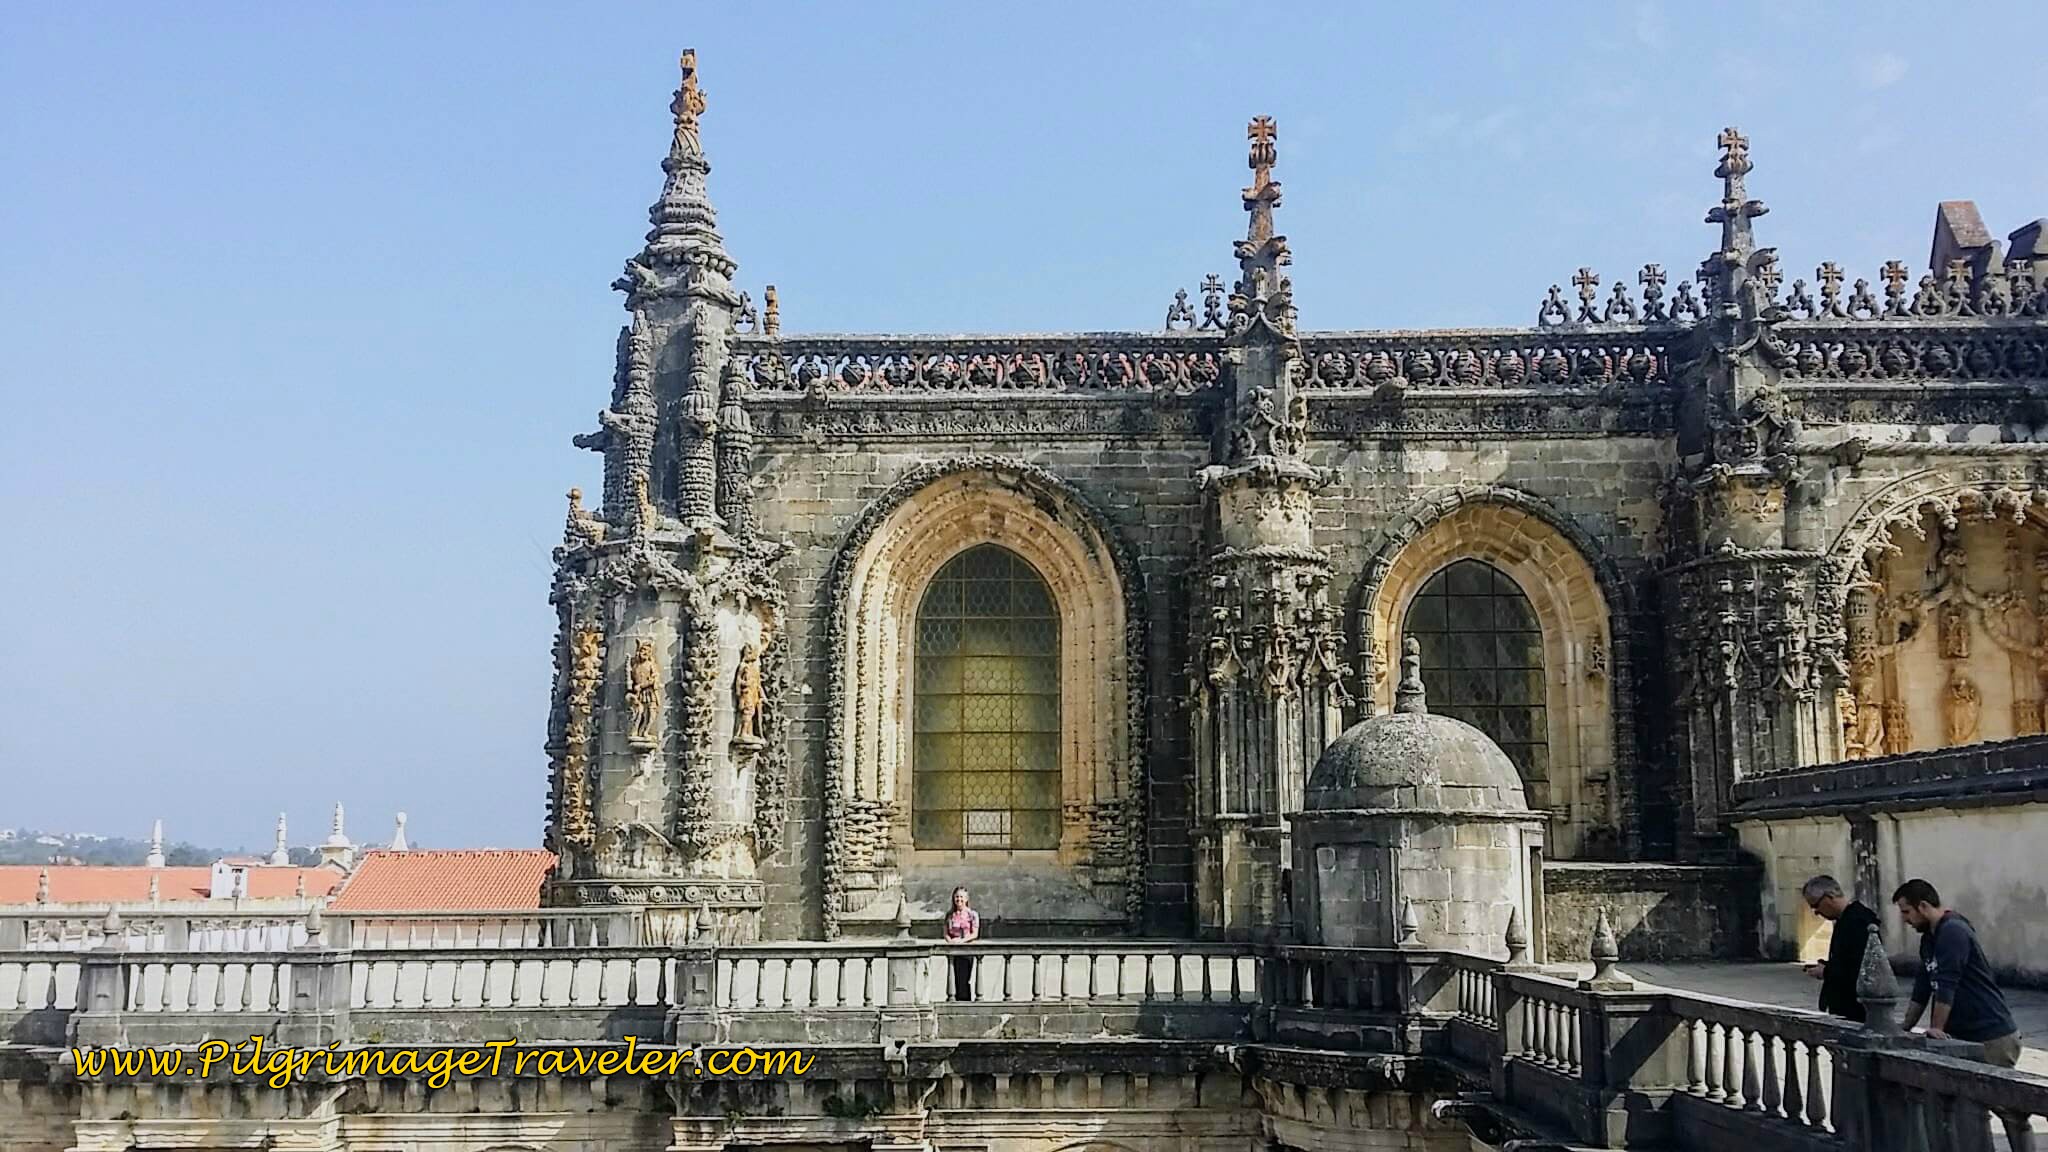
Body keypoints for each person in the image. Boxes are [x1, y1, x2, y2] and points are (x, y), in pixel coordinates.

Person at [1894, 879, 2022, 1066]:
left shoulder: (1953, 930)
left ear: (1923, 906)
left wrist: (1936, 1028)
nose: (1905, 920)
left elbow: (1947, 982)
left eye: (1906, 912)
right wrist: (1905, 1027)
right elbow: (1922, 987)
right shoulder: (1929, 938)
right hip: (1964, 1036)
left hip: (1991, 1036)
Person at [1799, 875, 1879, 1022]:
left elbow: (1859, 966)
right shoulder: (1844, 919)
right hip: (1844, 1006)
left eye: (1816, 905)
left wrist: (1826, 971)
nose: (1816, 912)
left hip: (1856, 1009)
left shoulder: (1857, 920)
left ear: (1829, 897)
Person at [943, 886, 980, 1002]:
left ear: (966, 899)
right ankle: (955, 1001)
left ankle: (965, 1002)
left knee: (964, 978)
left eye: (961, 897)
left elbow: (975, 934)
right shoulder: (949, 915)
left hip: (967, 949)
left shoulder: (972, 915)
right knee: (954, 978)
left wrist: (961, 941)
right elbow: (945, 933)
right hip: (953, 950)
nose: (959, 900)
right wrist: (950, 942)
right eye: (957, 897)